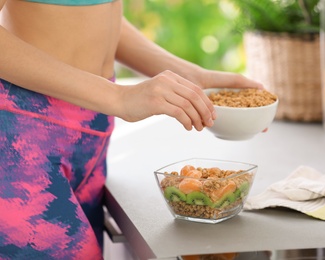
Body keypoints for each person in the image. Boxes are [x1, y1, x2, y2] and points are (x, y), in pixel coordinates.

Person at [0, 0, 262, 258]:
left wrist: (186, 74)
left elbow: (96, 12)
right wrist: (118, 97)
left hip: (94, 133)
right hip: (22, 142)